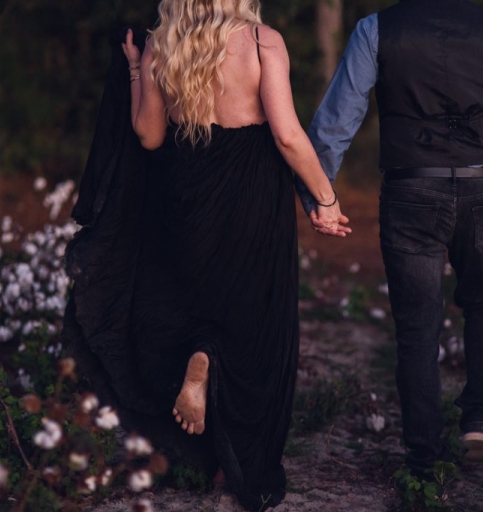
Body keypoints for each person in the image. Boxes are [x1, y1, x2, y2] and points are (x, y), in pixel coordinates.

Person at [62, 0, 350, 510]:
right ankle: (238, 453)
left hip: (186, 192)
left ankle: (199, 359)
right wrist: (324, 200)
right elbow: (286, 135)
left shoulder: (160, 44)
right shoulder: (263, 42)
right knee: (252, 316)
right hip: (253, 194)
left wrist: (134, 69)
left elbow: (149, 136)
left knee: (190, 301)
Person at [296, 0, 483, 479]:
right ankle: (478, 420)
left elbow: (337, 119)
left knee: (417, 325)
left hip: (411, 186)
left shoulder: (376, 28)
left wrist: (318, 194)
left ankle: (422, 457)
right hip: (481, 184)